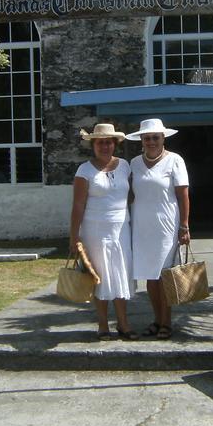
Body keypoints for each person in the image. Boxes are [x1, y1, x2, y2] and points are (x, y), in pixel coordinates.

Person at [69, 123, 138, 341]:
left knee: (120, 275)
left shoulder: (125, 166)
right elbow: (78, 205)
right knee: (99, 277)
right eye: (100, 142)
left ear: (115, 144)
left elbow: (131, 196)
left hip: (120, 230)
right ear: (93, 144)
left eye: (109, 142)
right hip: (94, 231)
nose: (105, 146)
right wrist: (74, 236)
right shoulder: (84, 170)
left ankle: (124, 323)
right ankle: (102, 324)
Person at [126, 118, 190, 340]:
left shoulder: (175, 161)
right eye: (147, 138)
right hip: (141, 227)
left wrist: (184, 225)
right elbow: (129, 193)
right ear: (141, 141)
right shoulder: (134, 163)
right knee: (150, 278)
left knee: (164, 277)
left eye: (155, 137)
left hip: (166, 228)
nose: (151, 141)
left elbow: (183, 195)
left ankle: (166, 322)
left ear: (163, 138)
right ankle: (156, 319)